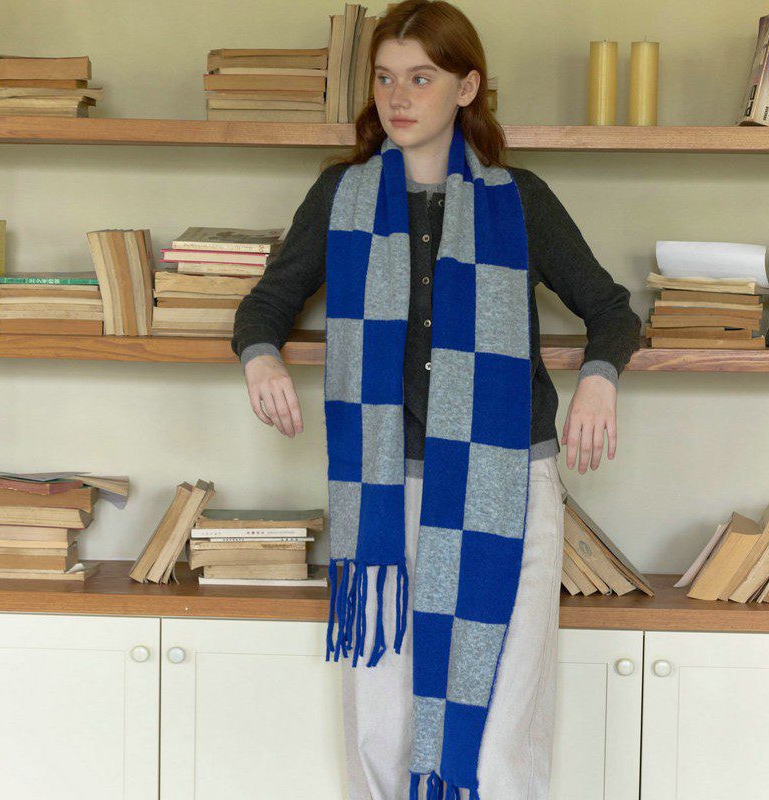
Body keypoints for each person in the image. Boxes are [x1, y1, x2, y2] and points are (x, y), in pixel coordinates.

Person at [231, 3, 642, 798]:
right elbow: (266, 305)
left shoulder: (518, 201)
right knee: (382, 734)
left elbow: (612, 310)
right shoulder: (341, 195)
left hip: (506, 486)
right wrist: (261, 361)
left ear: (467, 87)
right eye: (385, 78)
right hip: (385, 490)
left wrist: (599, 379)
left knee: (496, 746)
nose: (398, 96)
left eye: (421, 78)